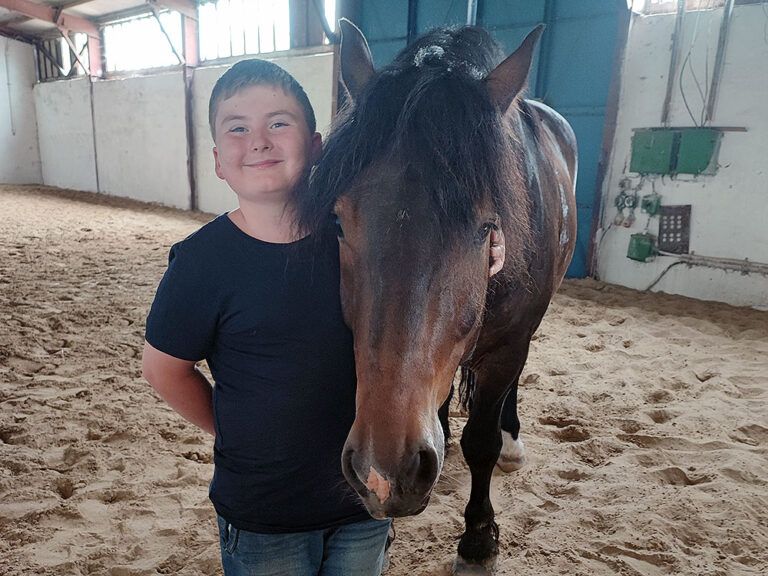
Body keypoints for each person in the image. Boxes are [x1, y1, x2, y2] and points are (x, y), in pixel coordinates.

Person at [142, 59, 391, 576]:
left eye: (279, 123)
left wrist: (493, 250)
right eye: (238, 128)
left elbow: (437, 258)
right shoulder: (201, 263)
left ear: (317, 144)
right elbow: (164, 370)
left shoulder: (363, 243)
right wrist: (228, 429)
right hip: (262, 513)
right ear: (218, 160)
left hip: (363, 500)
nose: (258, 141)